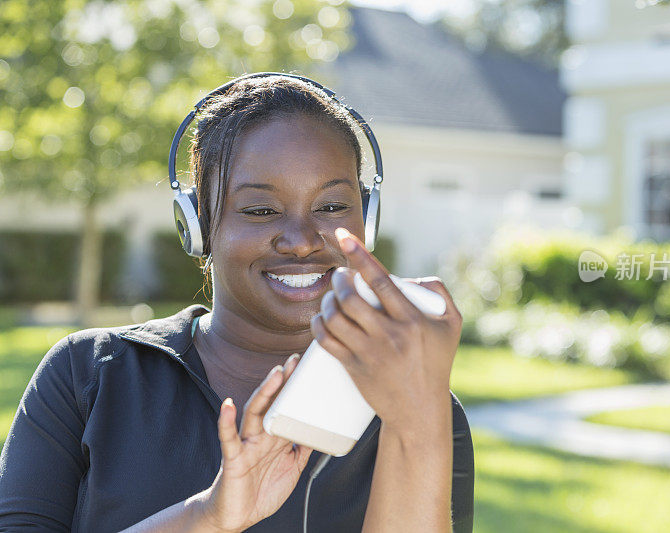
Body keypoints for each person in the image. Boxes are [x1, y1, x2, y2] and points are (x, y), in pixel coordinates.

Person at [0, 75, 474, 532]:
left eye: (331, 207)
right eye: (261, 210)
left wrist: (415, 424)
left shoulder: (420, 403)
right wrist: (207, 517)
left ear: (367, 220)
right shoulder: (90, 375)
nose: (302, 241)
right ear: (199, 226)